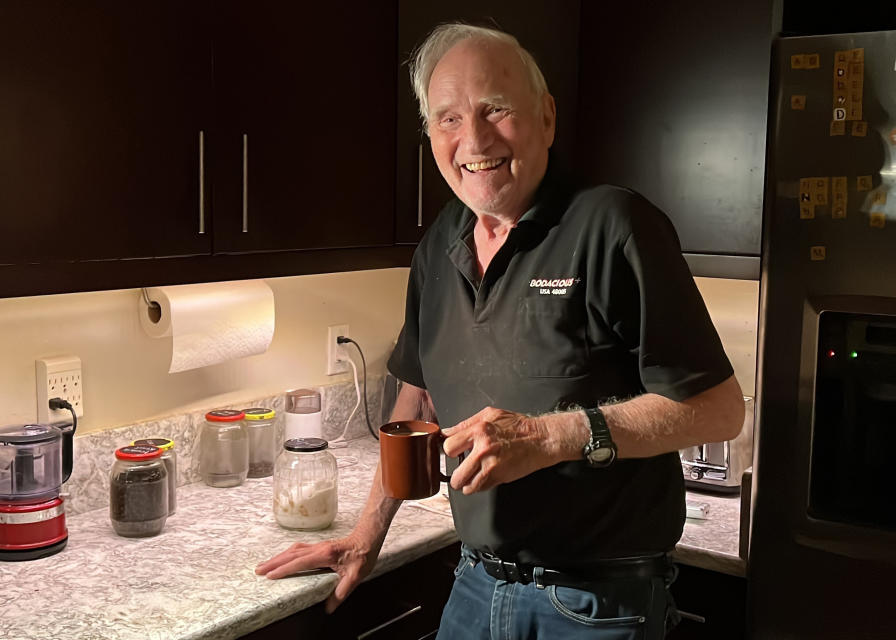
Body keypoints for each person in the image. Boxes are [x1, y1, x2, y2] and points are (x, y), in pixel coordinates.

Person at [256, 22, 745, 639]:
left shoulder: (614, 226)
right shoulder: (440, 245)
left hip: (596, 605)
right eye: (449, 118)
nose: (474, 138)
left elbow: (720, 410)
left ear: (545, 116)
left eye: (496, 109)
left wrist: (550, 436)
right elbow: (416, 402)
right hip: (474, 587)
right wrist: (364, 535)